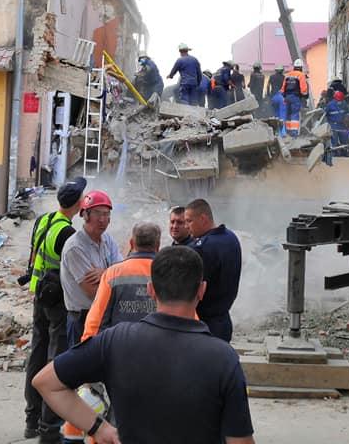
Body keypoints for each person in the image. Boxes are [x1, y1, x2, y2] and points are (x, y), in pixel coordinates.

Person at [33, 247, 255, 444]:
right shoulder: (223, 358)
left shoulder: (115, 341)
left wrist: (98, 428)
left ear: (151, 290)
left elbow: (45, 382)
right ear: (201, 290)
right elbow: (240, 440)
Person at [23, 176, 86, 443]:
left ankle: (31, 420)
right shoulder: (67, 233)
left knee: (37, 353)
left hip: (39, 294)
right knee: (55, 360)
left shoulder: (44, 220)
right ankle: (49, 427)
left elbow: (33, 255)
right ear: (77, 204)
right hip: (57, 302)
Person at [60, 190, 123, 346]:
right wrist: (113, 275)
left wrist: (104, 273)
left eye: (106, 214)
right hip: (82, 318)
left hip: (104, 316)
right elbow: (93, 291)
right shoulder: (75, 247)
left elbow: (122, 272)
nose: (103, 219)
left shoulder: (107, 240)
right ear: (85, 215)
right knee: (80, 367)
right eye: (97, 213)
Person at [82, 222, 161, 341]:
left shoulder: (113, 274)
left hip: (120, 349)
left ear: (131, 243)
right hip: (160, 350)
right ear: (158, 245)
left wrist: (88, 348)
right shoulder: (170, 273)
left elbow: (97, 321)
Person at [184, 198, 242, 343]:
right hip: (223, 320)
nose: (186, 226)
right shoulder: (230, 237)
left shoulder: (202, 248)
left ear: (203, 219)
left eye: (189, 221)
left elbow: (189, 290)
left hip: (203, 324)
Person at [280, 59, 309, 138]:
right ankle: (294, 133)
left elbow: (282, 89)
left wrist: (284, 96)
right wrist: (305, 95)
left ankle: (288, 132)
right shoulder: (301, 75)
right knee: (294, 114)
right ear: (301, 67)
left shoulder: (288, 75)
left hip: (286, 97)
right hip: (295, 97)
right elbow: (303, 89)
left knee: (288, 114)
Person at [325, 91, 349, 157]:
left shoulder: (344, 104)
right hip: (333, 125)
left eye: (341, 100)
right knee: (334, 141)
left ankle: (344, 154)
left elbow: (347, 112)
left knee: (344, 140)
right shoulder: (330, 105)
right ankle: (334, 155)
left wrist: (347, 118)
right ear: (334, 98)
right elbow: (325, 115)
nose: (339, 101)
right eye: (338, 100)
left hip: (342, 125)